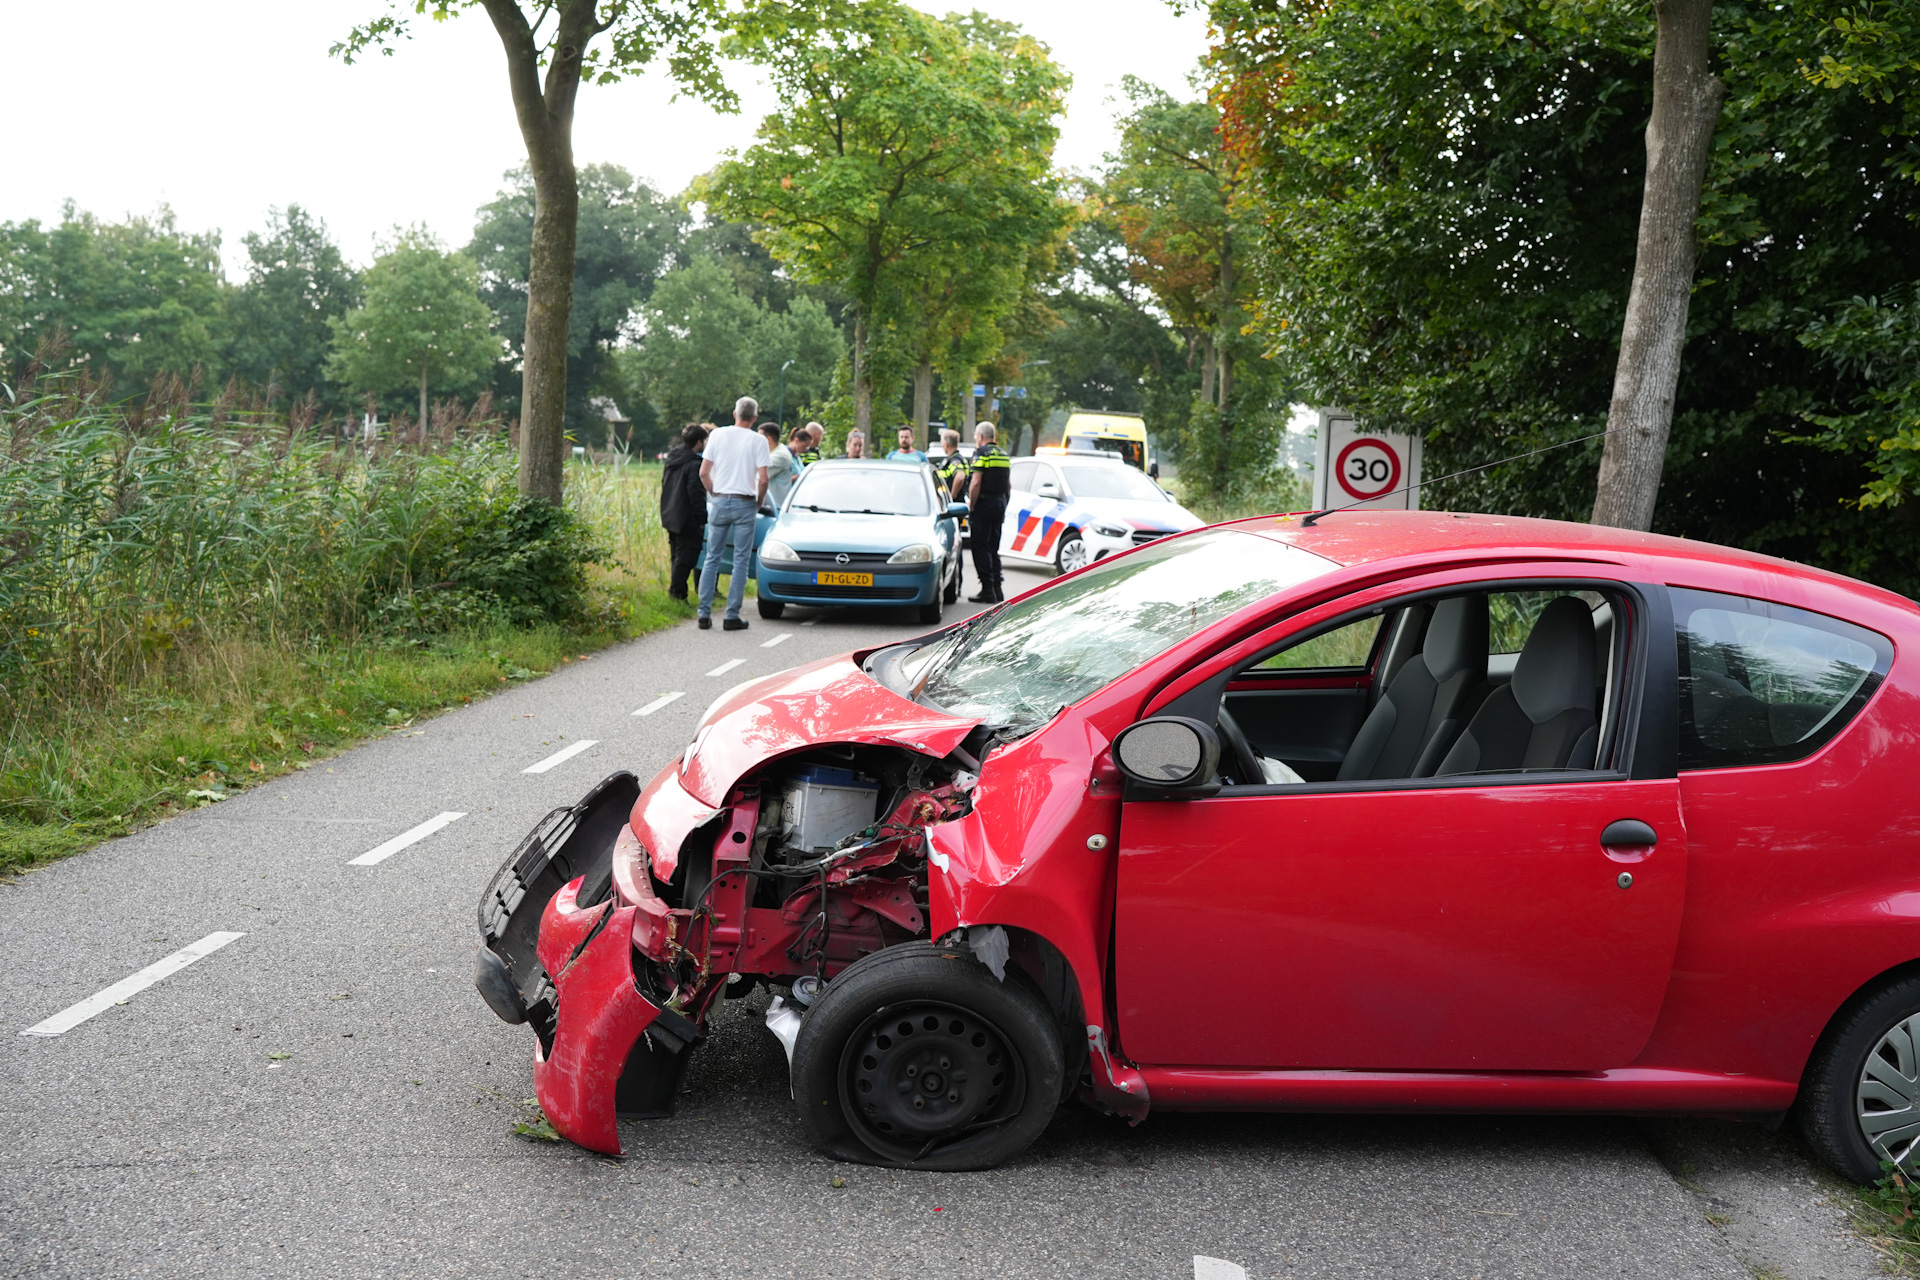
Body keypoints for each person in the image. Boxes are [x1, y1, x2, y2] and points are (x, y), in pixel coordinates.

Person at [697, 396, 770, 631]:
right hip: (744, 503)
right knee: (740, 560)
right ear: (755, 418)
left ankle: (703, 614)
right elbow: (764, 479)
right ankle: (731, 616)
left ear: (734, 413)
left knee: (712, 558)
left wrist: (714, 493)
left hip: (719, 500)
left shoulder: (717, 435)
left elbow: (704, 472)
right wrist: (758, 501)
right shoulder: (758, 440)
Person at [659, 423, 709, 601]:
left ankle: (678, 593)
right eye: (704, 440)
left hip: (670, 513)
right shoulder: (694, 464)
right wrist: (702, 517)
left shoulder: (673, 459)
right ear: (698, 442)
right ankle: (677, 592)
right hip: (687, 517)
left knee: (677, 555)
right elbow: (696, 493)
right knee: (688, 555)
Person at [966, 421, 1011, 603]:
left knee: (980, 547)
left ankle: (987, 590)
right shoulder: (1003, 454)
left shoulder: (981, 454)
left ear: (981, 436)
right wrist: (1004, 502)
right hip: (1000, 503)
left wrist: (972, 505)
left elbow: (976, 482)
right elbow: (1008, 485)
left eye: (976, 436)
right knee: (993, 547)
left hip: (984, 504)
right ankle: (997, 589)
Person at [762, 422, 800, 510]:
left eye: (759, 437)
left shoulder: (780, 455)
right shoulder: (776, 451)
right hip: (772, 506)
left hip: (775, 507)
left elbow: (758, 472)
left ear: (768, 439)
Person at [934, 428, 967, 499]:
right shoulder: (958, 458)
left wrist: (952, 496)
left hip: (955, 504)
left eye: (941, 442)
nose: (941, 444)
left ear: (946, 444)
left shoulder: (955, 460)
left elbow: (960, 476)